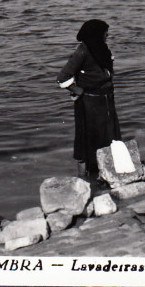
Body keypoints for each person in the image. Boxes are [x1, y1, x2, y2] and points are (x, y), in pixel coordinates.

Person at [57, 19, 121, 177]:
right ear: (96, 34)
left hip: (105, 100)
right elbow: (63, 76)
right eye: (105, 32)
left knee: (107, 137)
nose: (107, 35)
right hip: (89, 103)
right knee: (86, 141)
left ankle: (103, 174)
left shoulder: (101, 49)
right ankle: (84, 178)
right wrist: (77, 90)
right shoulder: (83, 50)